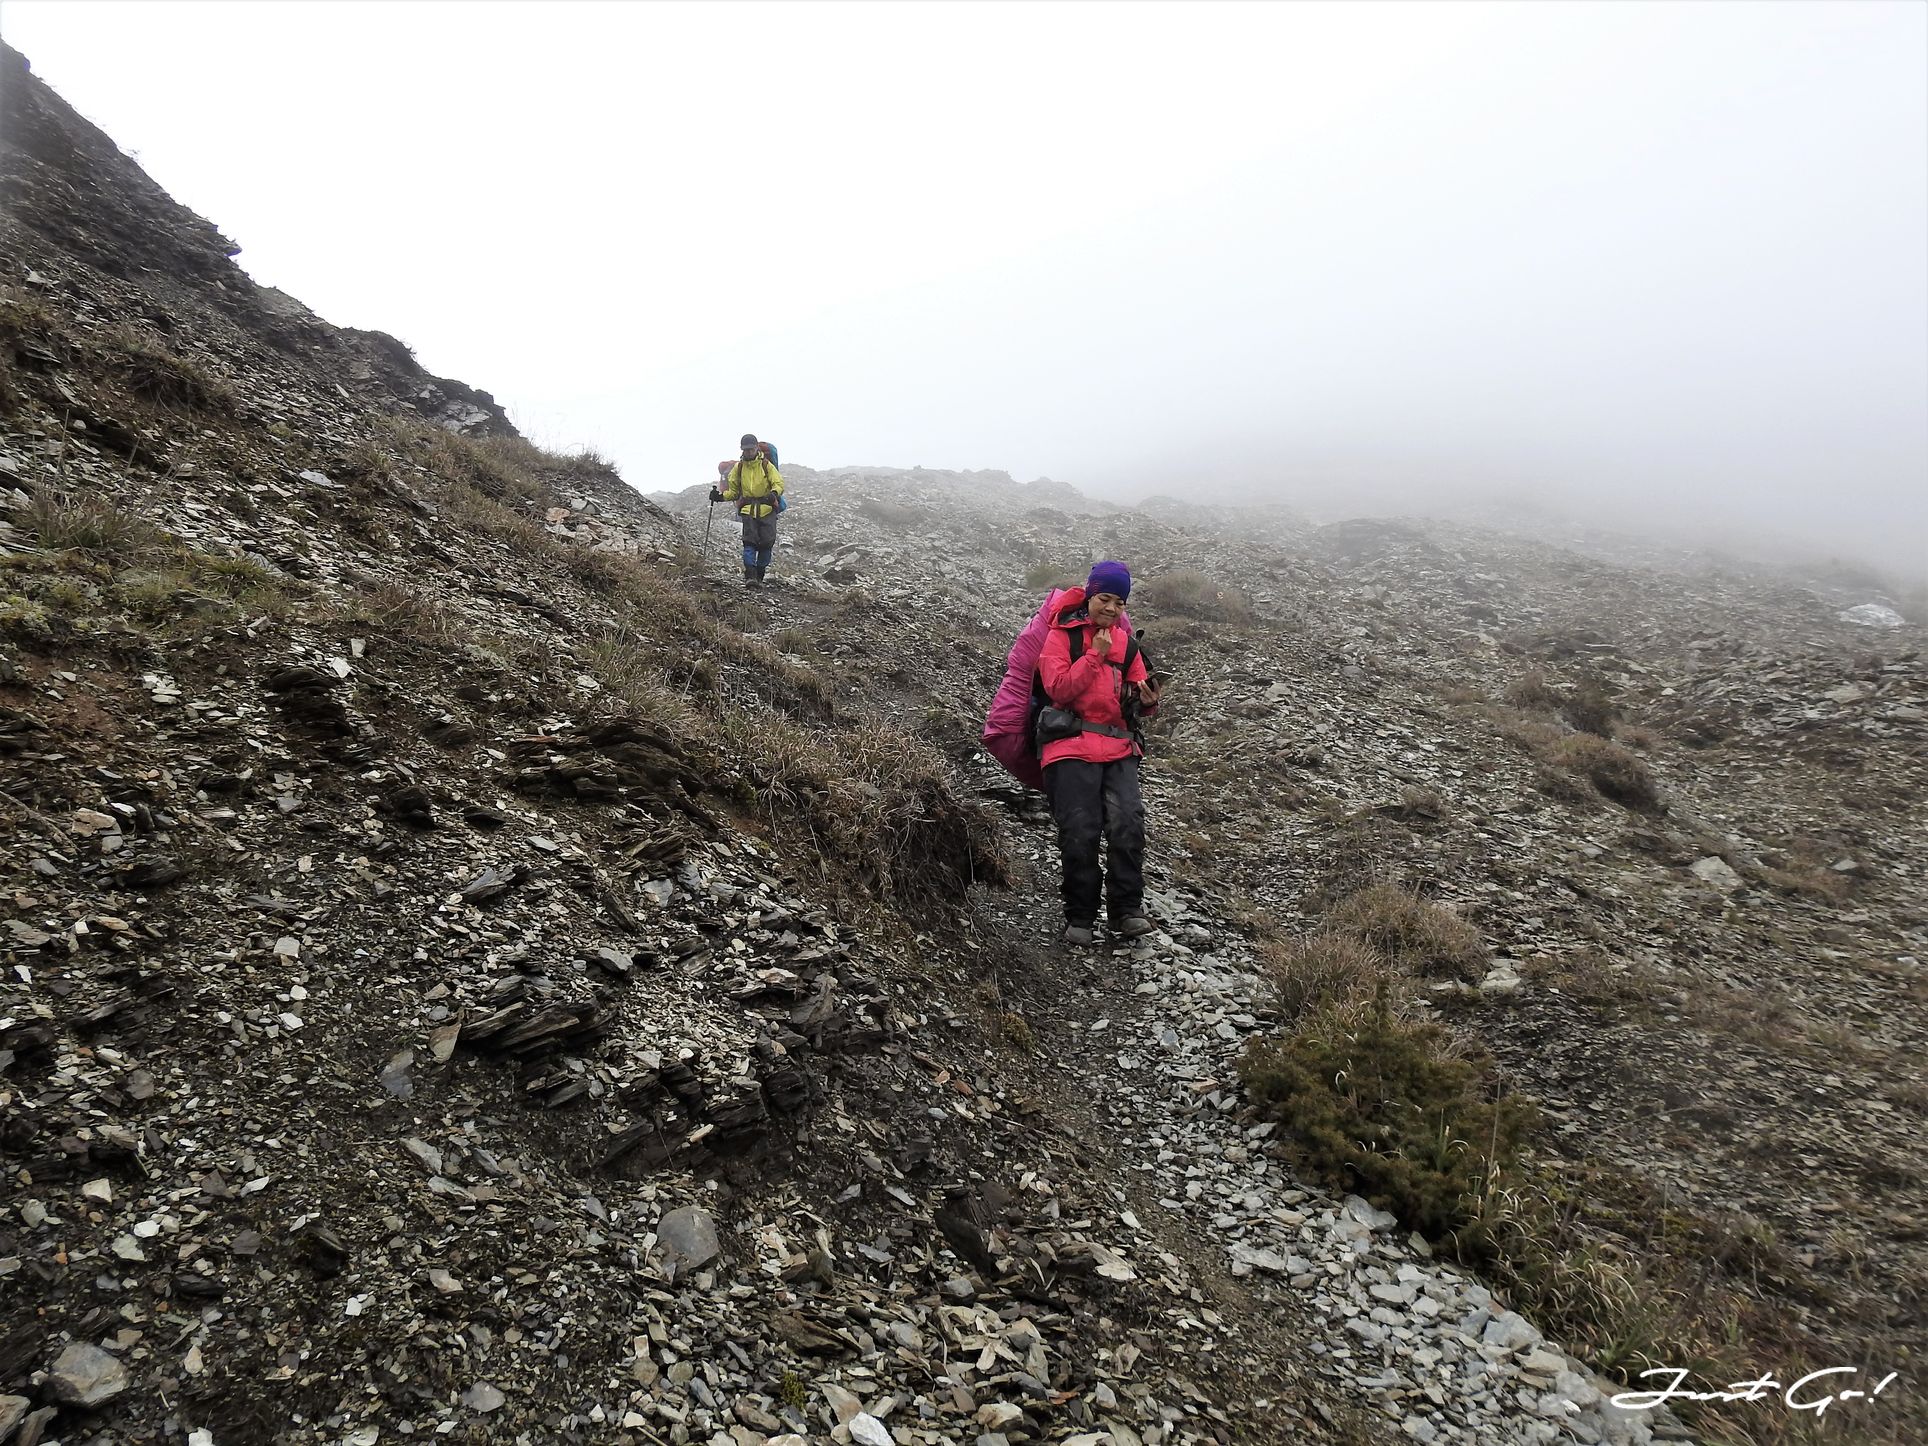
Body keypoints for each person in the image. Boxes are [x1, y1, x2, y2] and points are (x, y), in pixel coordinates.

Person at [1037, 561, 1162, 945]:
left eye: (1119, 603)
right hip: (1069, 747)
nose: (1111, 609)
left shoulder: (1129, 645)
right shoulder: (1062, 637)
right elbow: (1058, 690)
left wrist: (1148, 701)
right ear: (1090, 595)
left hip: (1118, 745)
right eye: (1104, 598)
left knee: (1128, 824)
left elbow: (1135, 698)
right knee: (1080, 830)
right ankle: (1081, 917)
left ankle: (1126, 911)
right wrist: (1094, 656)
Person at [712, 433, 785, 586]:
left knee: (766, 544)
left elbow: (778, 483)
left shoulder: (766, 465)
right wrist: (719, 497)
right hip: (748, 511)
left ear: (756, 448)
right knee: (749, 543)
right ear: (742, 450)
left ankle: (759, 574)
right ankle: (750, 575)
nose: (749, 452)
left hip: (767, 509)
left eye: (751, 449)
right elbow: (734, 492)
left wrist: (774, 494)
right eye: (746, 450)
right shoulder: (738, 468)